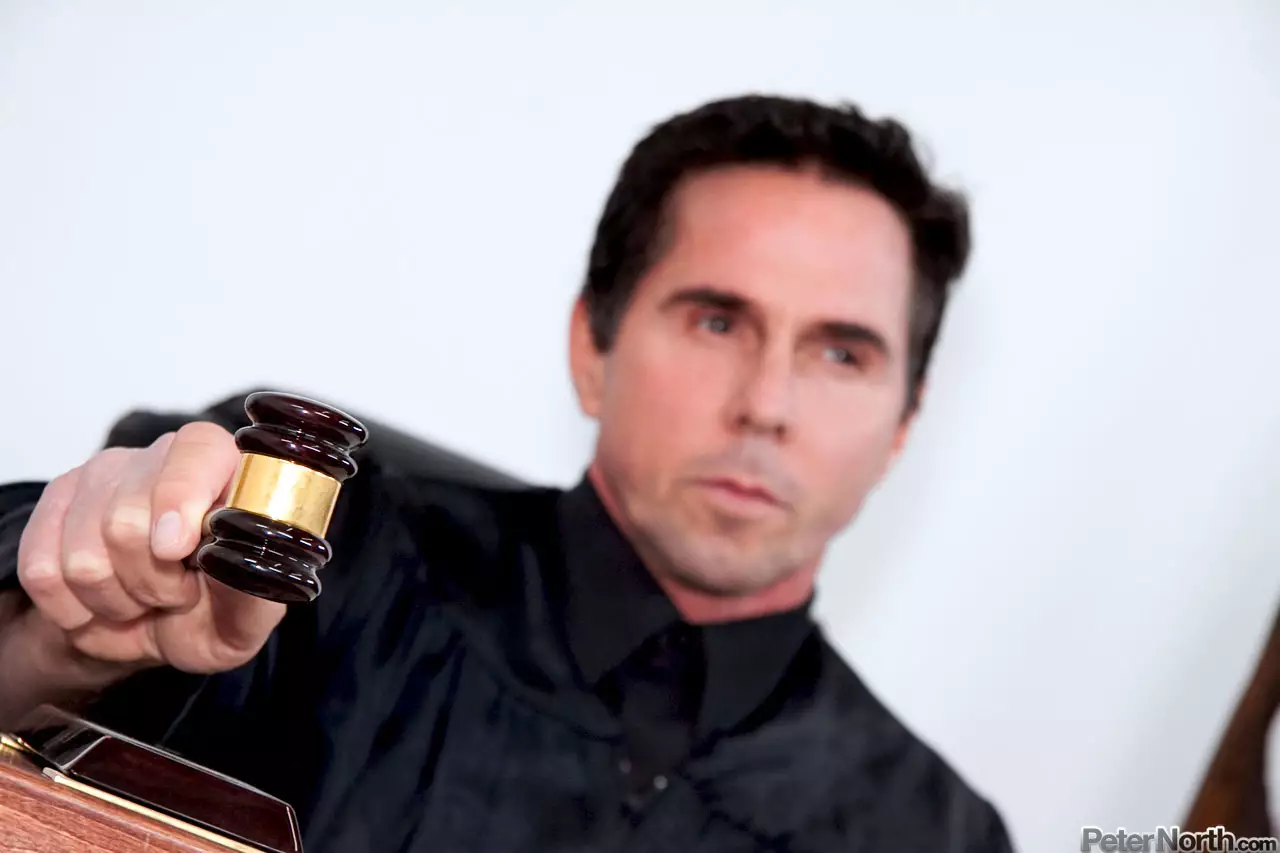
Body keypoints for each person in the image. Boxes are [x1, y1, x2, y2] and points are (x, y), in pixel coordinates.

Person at [0, 94, 1015, 852]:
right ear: (591, 348)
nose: (766, 403)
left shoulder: (936, 835)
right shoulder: (302, 547)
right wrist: (60, 644)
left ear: (901, 425)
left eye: (840, 352)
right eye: (717, 321)